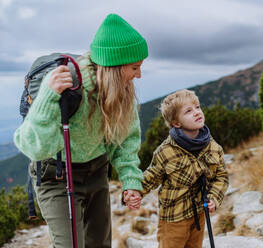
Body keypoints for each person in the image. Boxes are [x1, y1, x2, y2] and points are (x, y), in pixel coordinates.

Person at [14, 13, 146, 248]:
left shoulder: (123, 92)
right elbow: (33, 147)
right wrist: (47, 97)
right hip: (57, 175)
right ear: (114, 68)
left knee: (100, 245)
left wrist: (130, 180)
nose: (139, 75)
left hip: (97, 172)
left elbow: (125, 140)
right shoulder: (69, 89)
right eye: (134, 67)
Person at [125, 89, 229, 248]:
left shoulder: (213, 147)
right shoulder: (165, 151)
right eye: (188, 111)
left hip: (200, 215)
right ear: (176, 123)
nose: (196, 112)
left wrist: (214, 197)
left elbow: (221, 177)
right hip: (173, 219)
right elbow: (151, 176)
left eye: (197, 107)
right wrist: (134, 191)